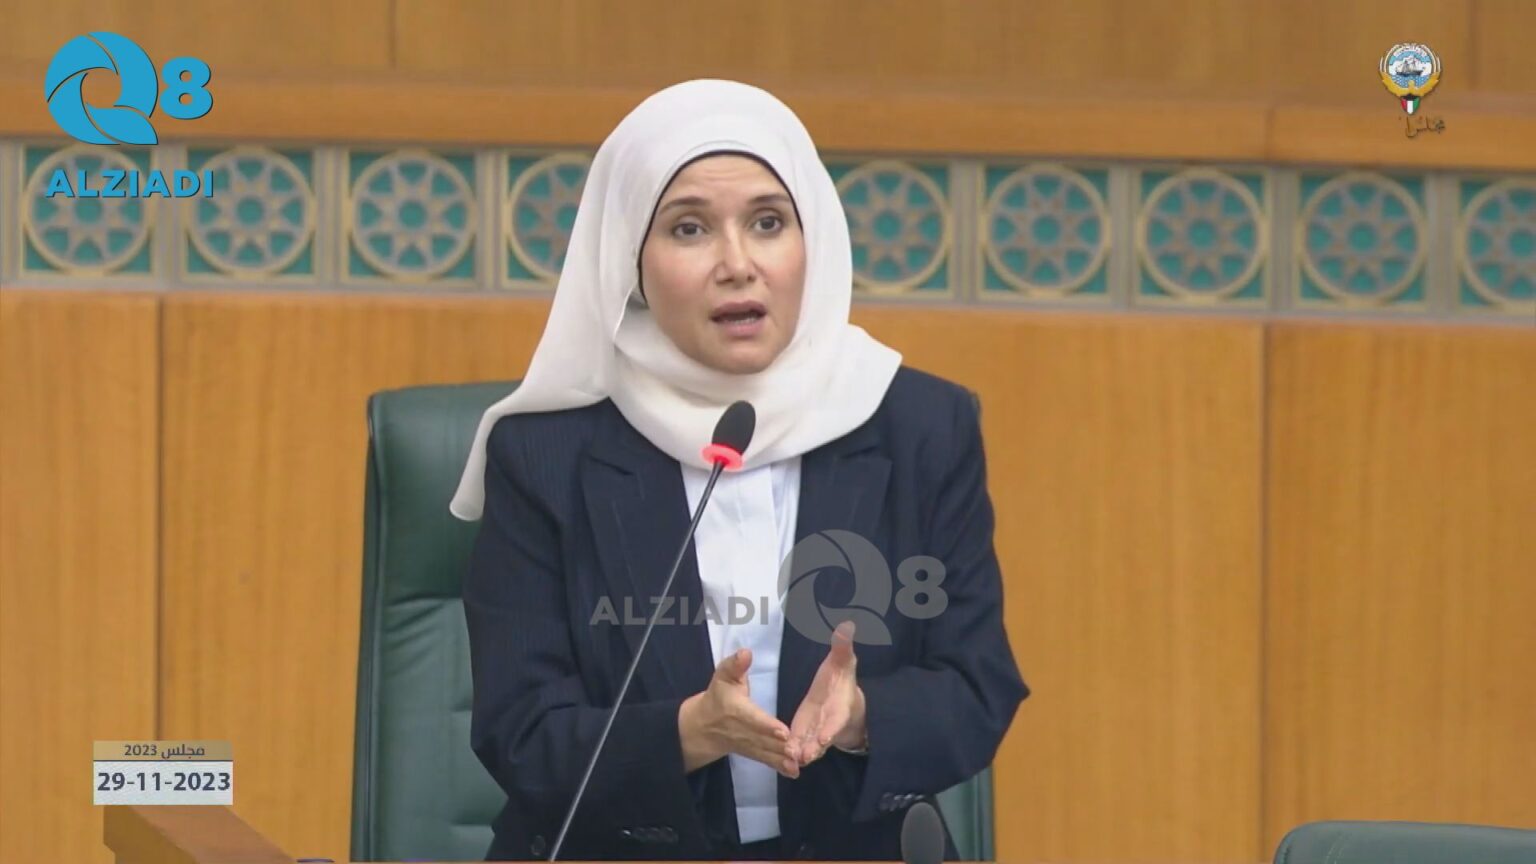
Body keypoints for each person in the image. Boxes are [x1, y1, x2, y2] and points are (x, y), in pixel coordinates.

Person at [450, 79, 1027, 862]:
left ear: (812, 238)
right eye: (689, 228)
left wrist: (861, 718)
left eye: (767, 222)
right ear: (631, 260)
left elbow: (976, 685)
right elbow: (521, 730)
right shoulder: (547, 454)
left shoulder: (919, 427)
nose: (737, 264)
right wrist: (690, 732)